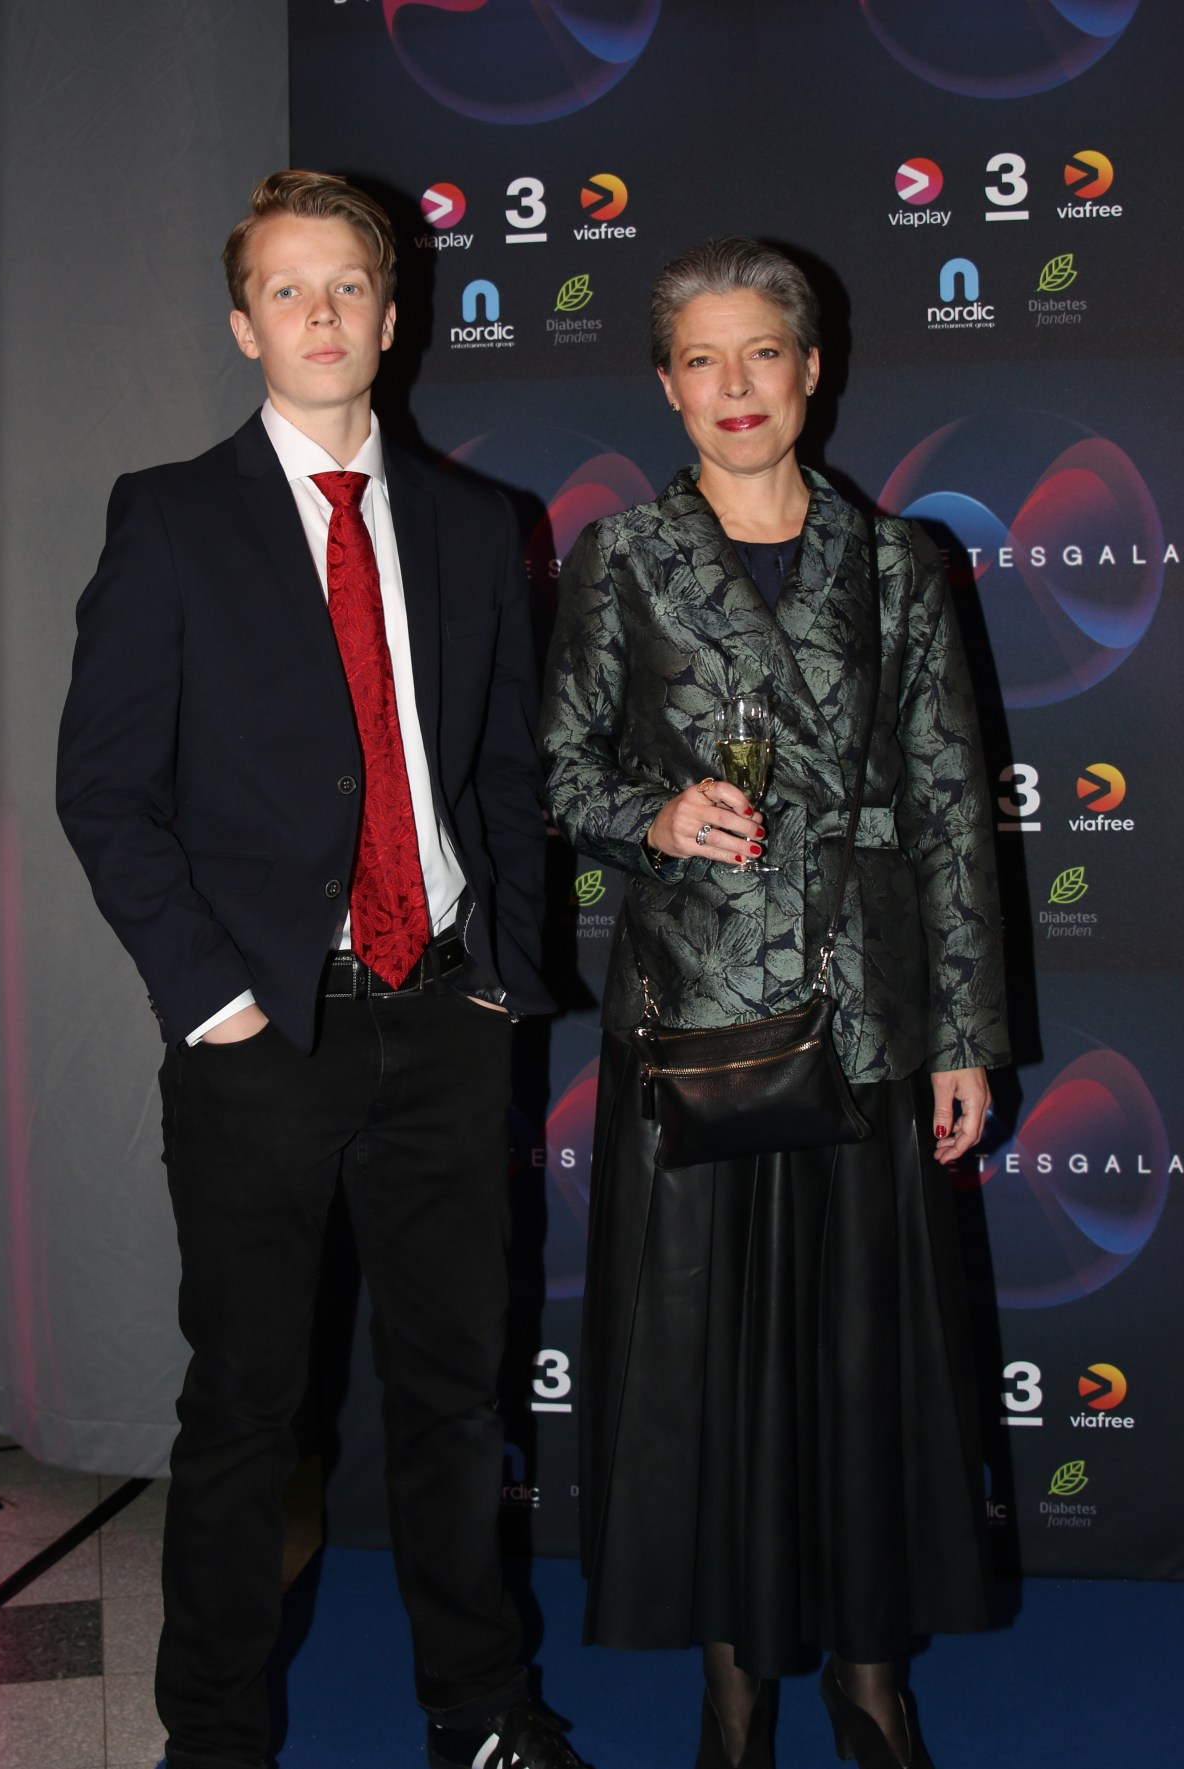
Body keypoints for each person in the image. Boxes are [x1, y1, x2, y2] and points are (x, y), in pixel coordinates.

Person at [57, 170, 587, 1769]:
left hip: (446, 1022)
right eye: (286, 290)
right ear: (244, 327)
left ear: (393, 313)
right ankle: (214, 1738)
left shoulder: (479, 526)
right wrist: (212, 997)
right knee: (242, 1409)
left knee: (454, 1398)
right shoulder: (170, 516)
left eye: (347, 284)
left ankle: (479, 1711)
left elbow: (508, 773)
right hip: (262, 1037)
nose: (321, 313)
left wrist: (498, 975)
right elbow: (106, 789)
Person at [539, 237, 1010, 1769]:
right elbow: (558, 773)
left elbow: (949, 807)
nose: (735, 386)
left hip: (865, 1016)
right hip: (700, 1020)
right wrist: (656, 815)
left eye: (763, 354)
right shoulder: (623, 556)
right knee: (711, 1369)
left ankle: (873, 1682)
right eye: (703, 359)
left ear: (813, 369)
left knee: (868, 1364)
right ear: (665, 384)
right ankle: (734, 1688)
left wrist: (963, 1035)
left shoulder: (897, 563)